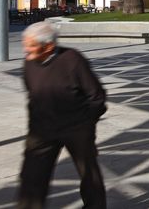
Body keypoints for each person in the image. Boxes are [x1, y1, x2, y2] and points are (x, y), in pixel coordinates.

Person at [18, 22, 107, 209]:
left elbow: (96, 96)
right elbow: (32, 93)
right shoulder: (29, 62)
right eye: (25, 44)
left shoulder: (73, 60)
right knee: (32, 175)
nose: (27, 50)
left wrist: (86, 124)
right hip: (42, 130)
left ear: (49, 46)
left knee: (88, 173)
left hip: (76, 127)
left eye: (32, 45)